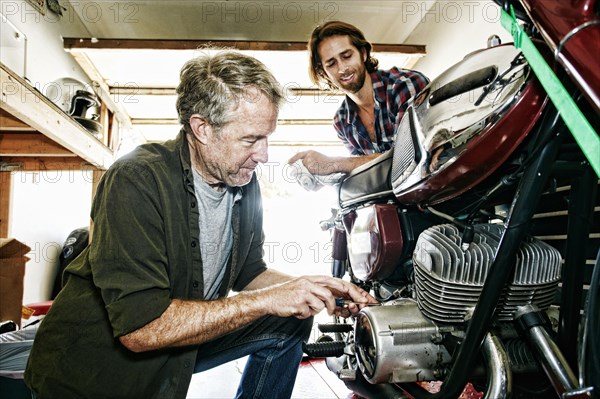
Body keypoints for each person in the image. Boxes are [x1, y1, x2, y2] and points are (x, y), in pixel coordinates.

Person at [24, 50, 376, 399]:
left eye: (267, 136)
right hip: (95, 374)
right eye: (251, 139)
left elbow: (248, 272)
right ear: (202, 128)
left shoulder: (243, 180)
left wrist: (312, 287)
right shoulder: (136, 179)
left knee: (292, 319)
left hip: (174, 344)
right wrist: (268, 300)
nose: (264, 155)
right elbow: (141, 328)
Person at [288, 20, 429, 175]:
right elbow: (365, 173)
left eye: (347, 56)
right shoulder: (341, 121)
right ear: (323, 73)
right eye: (331, 64)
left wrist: (334, 163)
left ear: (363, 53)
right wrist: (323, 176)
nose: (342, 68)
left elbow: (413, 156)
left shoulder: (403, 85)